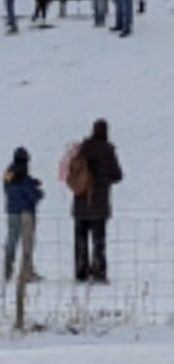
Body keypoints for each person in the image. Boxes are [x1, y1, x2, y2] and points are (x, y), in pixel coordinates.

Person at [69, 119, 123, 283]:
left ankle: (81, 272)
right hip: (99, 205)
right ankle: (98, 271)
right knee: (98, 240)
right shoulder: (107, 151)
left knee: (80, 239)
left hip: (80, 203)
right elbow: (117, 175)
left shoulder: (81, 149)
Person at [3, 146, 44, 282]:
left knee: (11, 240)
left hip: (12, 211)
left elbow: (10, 188)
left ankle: (7, 268)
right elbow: (29, 193)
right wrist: (38, 193)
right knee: (27, 243)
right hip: (26, 212)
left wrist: (32, 182)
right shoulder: (24, 174)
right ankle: (27, 272)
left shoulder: (8, 173)